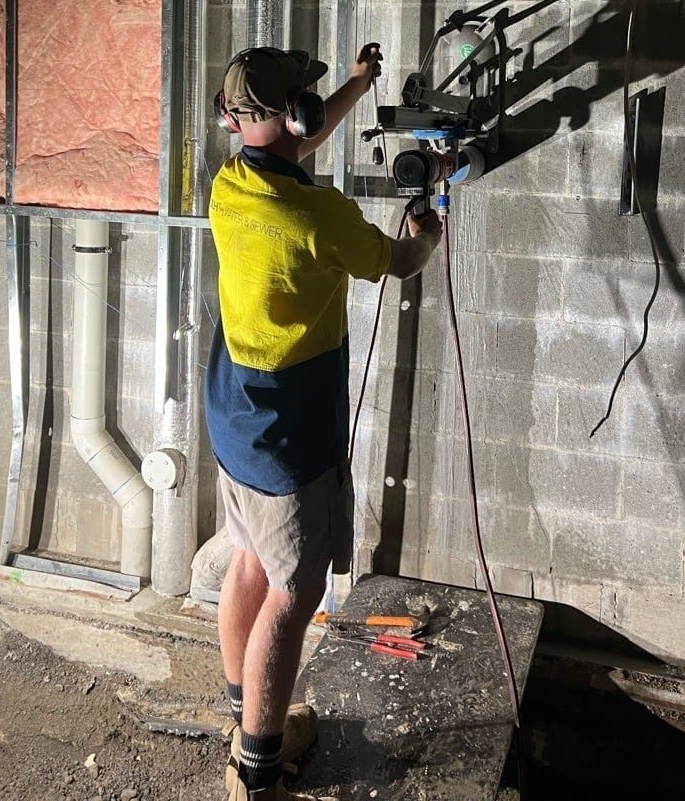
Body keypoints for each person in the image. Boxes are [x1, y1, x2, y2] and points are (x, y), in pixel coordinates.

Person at [206, 42, 441, 801]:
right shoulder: (318, 215)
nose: (312, 112)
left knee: (248, 562)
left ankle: (246, 718)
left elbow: (298, 138)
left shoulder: (230, 183)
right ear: (291, 114)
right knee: (294, 591)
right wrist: (427, 230)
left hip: (235, 412)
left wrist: (356, 86)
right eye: (304, 101)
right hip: (290, 428)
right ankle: (259, 773)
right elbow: (397, 264)